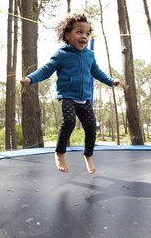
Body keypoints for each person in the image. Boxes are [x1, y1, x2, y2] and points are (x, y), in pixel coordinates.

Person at [20, 12, 120, 174]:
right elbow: (46, 70)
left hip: (85, 98)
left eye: (87, 33)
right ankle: (60, 153)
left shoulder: (90, 55)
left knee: (90, 128)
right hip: (67, 96)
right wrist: (30, 79)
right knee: (69, 122)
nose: (84, 36)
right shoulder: (62, 54)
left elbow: (97, 72)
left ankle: (88, 155)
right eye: (79, 32)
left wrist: (110, 80)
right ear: (67, 35)